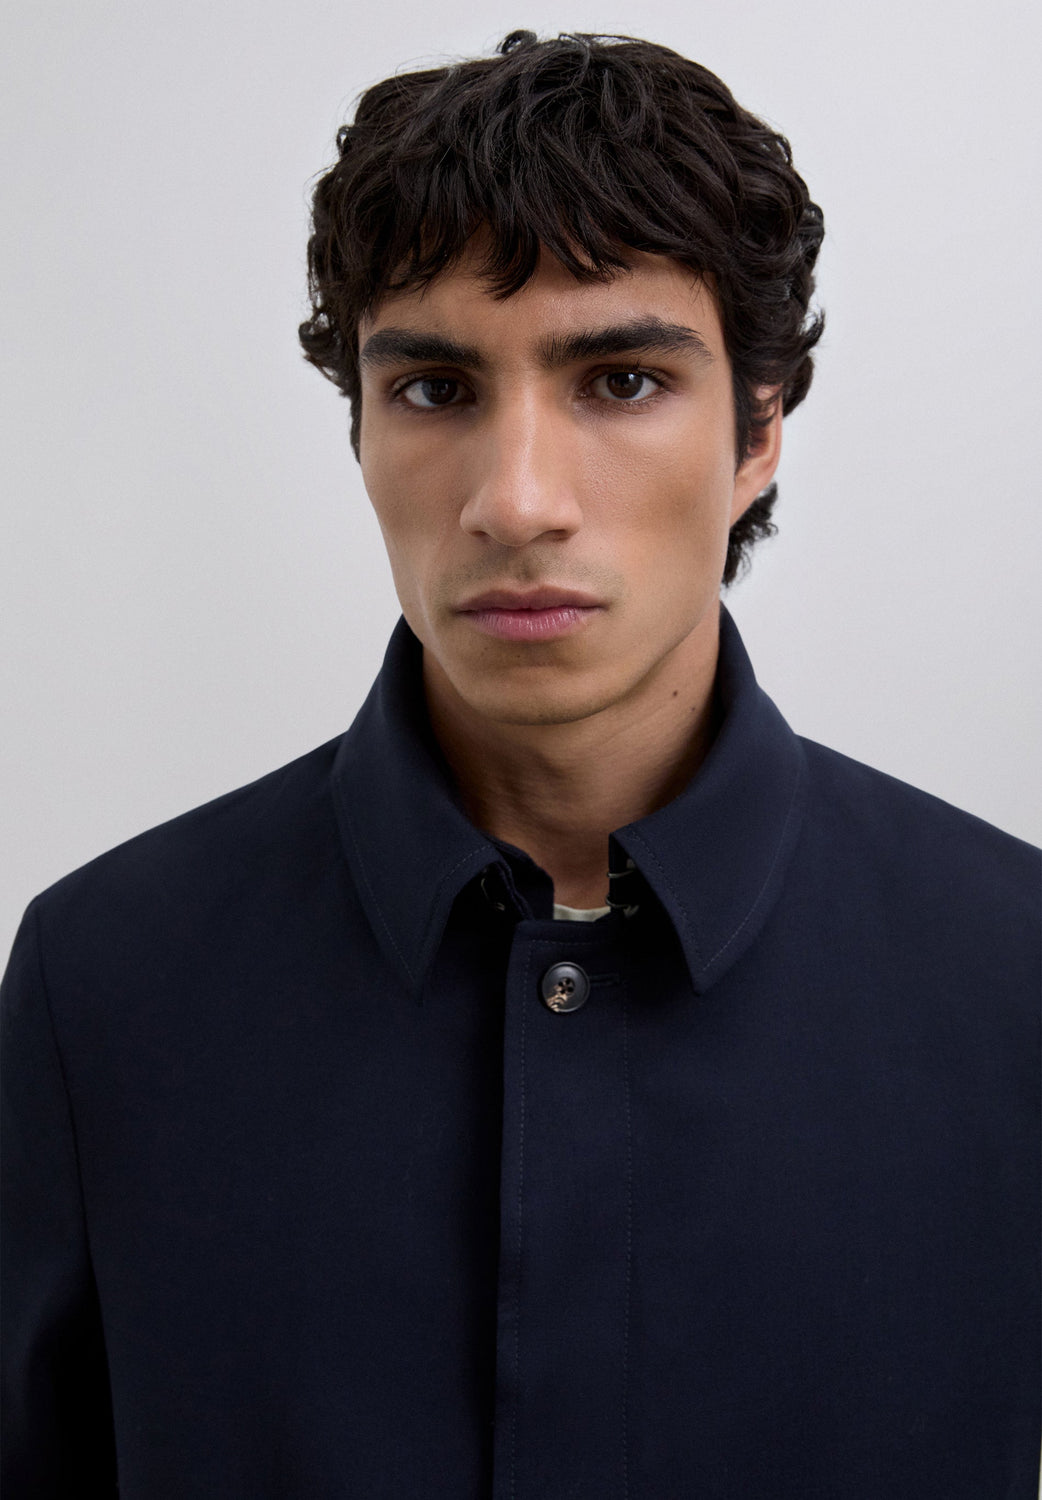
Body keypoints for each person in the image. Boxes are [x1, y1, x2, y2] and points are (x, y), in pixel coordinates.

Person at [2, 28, 1038, 1499]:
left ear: (757, 432)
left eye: (620, 379)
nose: (517, 499)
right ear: (359, 431)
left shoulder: (1013, 979)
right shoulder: (101, 985)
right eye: (434, 390)